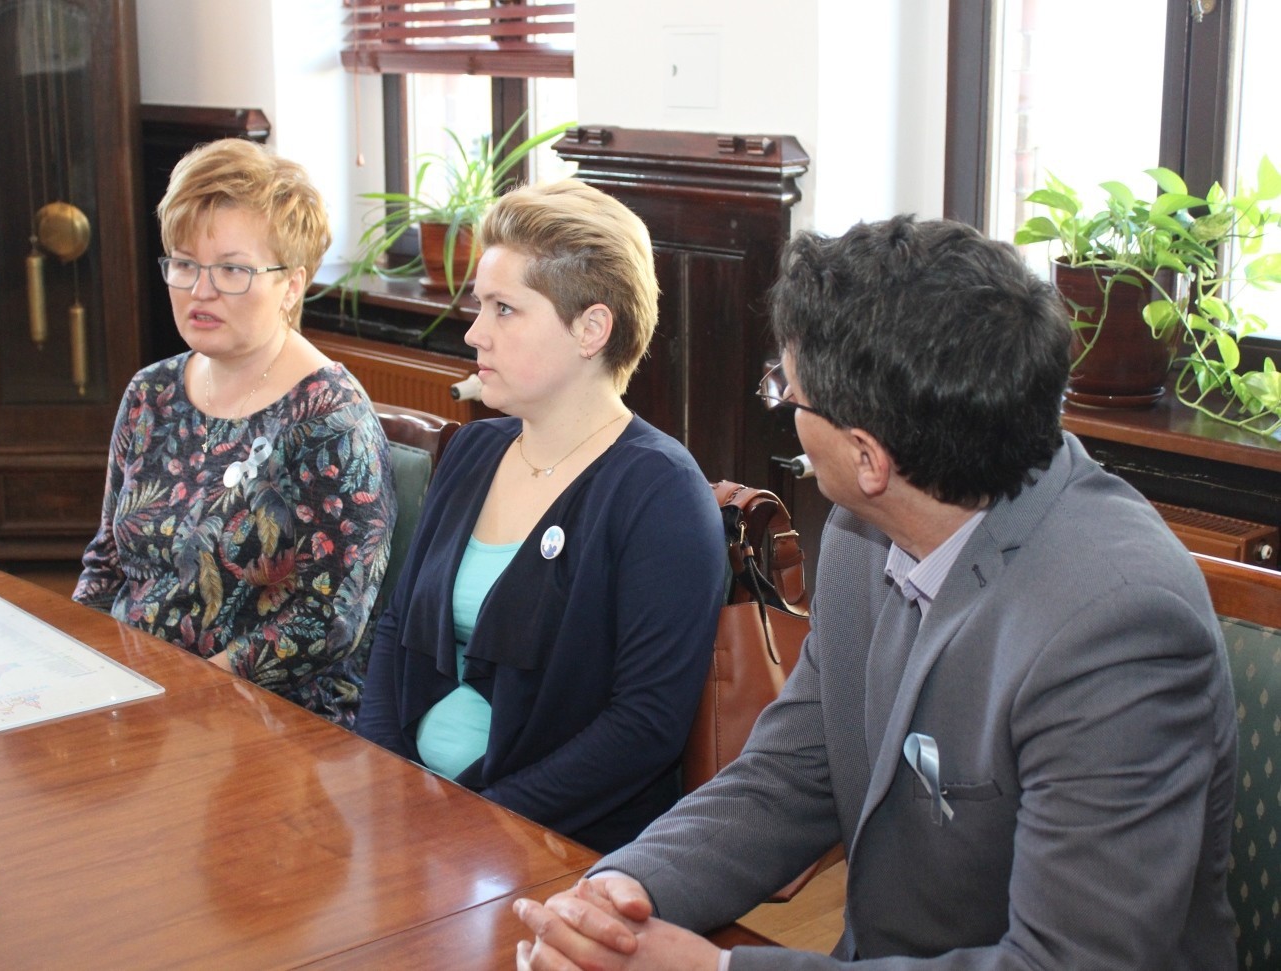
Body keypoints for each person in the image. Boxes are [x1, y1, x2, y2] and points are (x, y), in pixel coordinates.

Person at [513, 215, 1238, 968]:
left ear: (868, 457)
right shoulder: (867, 530)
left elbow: (1068, 963)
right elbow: (793, 771)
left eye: (789, 394)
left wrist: (716, 968)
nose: (786, 411)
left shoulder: (1118, 627)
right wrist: (623, 891)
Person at [356, 179, 727, 853]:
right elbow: (394, 627)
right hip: (413, 819)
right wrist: (386, 778)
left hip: (553, 847)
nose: (475, 333)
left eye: (504, 310)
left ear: (591, 329)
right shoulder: (473, 449)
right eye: (479, 306)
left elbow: (643, 726)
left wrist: (479, 821)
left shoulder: (660, 493)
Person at [73, 139, 395, 727]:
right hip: (136, 696)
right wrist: (77, 662)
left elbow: (330, 619)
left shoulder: (330, 418)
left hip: (269, 717)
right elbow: (106, 563)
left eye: (232, 270)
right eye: (184, 263)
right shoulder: (150, 392)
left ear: (292, 284)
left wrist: (188, 692)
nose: (200, 289)